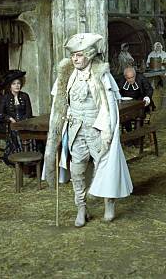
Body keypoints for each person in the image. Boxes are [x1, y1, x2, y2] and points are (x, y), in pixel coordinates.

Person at [43, 33, 132, 227]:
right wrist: (59, 123)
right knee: (77, 170)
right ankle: (81, 208)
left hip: (97, 130)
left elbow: (109, 107)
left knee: (104, 167)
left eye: (80, 55)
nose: (75, 58)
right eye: (73, 55)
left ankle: (109, 204)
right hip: (75, 130)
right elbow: (59, 104)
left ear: (89, 55)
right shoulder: (66, 75)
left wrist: (106, 131)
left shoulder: (102, 75)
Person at [0, 70, 33, 165]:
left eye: (18, 83)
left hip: (24, 123)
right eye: (14, 84)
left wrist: (22, 122)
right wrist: (10, 119)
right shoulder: (5, 98)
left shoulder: (25, 96)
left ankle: (31, 159)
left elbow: (29, 113)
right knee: (16, 132)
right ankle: (20, 158)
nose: (17, 85)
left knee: (31, 134)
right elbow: (0, 114)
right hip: (11, 126)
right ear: (10, 86)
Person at [117, 66, 154, 131]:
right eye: (128, 78)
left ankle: (138, 132)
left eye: (132, 77)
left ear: (135, 75)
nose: (131, 79)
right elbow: (117, 91)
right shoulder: (120, 80)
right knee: (124, 116)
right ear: (125, 77)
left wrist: (147, 97)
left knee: (139, 115)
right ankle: (129, 133)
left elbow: (149, 89)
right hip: (126, 104)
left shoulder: (141, 78)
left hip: (139, 102)